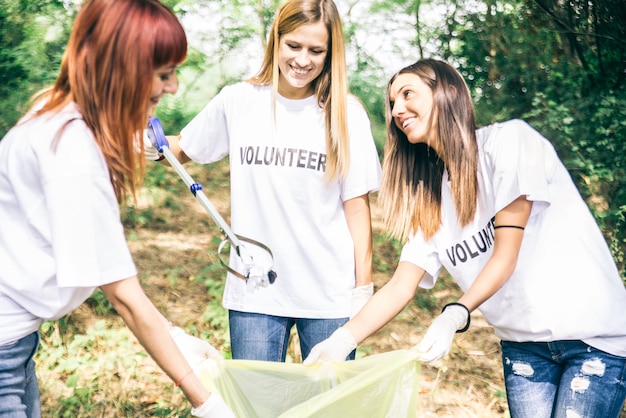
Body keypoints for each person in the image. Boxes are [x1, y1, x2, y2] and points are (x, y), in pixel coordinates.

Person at [303, 58, 626, 417]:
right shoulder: (432, 200)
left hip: (592, 339)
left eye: (408, 93)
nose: (397, 109)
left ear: (449, 91)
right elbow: (400, 286)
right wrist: (341, 341)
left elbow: (505, 255)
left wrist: (454, 314)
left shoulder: (509, 142)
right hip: (524, 346)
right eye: (392, 102)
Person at [0, 1, 235, 417]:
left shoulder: (53, 114)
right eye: (164, 73)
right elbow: (124, 296)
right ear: (122, 68)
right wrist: (206, 400)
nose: (174, 86)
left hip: (14, 344)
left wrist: (174, 335)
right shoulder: (70, 151)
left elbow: (104, 272)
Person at [145, 0, 382, 362]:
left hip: (328, 295)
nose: (303, 60)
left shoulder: (347, 113)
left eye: (316, 51)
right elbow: (183, 148)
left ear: (330, 53)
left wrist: (362, 289)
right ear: (276, 40)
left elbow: (357, 208)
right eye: (294, 46)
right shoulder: (239, 101)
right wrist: (145, 143)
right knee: (256, 405)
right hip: (254, 292)